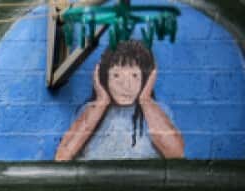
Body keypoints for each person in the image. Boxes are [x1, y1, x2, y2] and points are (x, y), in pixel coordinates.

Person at [55, 40, 184, 161]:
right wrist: (101, 101)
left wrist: (145, 99)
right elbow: (62, 157)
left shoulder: (156, 112)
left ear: (146, 79)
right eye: (116, 75)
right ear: (104, 77)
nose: (126, 85)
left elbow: (176, 154)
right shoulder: (90, 112)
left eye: (134, 76)